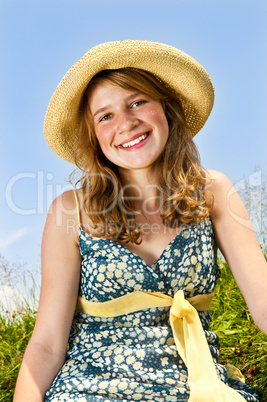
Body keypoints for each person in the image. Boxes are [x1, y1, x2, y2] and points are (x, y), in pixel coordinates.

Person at [14, 40, 267, 402]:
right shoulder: (70, 211)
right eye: (105, 116)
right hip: (91, 390)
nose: (127, 123)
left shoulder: (212, 192)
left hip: (196, 389)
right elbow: (47, 345)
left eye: (137, 102)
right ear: (95, 137)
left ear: (165, 107)